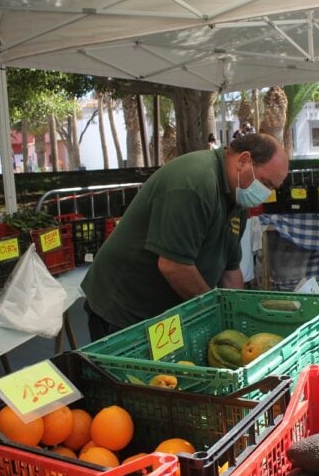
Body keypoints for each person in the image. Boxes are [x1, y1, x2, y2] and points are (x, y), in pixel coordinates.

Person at [81, 133, 289, 341]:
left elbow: (230, 270)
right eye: (265, 183)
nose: (265, 192)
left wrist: (236, 320)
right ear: (244, 160)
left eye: (272, 188)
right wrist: (214, 312)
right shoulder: (194, 182)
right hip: (125, 308)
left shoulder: (237, 197)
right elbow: (174, 265)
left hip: (165, 314)